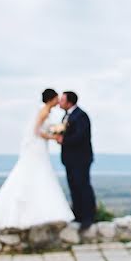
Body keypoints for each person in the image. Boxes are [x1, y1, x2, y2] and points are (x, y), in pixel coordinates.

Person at [0, 89, 75, 229]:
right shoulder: (44, 111)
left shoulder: (45, 111)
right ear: (51, 99)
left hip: (40, 147)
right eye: (57, 98)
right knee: (38, 173)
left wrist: (56, 130)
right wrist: (54, 137)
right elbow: (37, 131)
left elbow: (44, 128)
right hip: (37, 147)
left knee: (39, 174)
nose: (58, 101)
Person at [55, 91, 96, 230]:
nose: (60, 102)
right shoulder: (66, 116)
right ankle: (77, 214)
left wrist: (63, 140)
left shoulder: (81, 116)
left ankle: (88, 218)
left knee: (83, 187)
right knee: (74, 187)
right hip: (69, 159)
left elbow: (80, 137)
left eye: (62, 100)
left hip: (81, 159)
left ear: (70, 102)